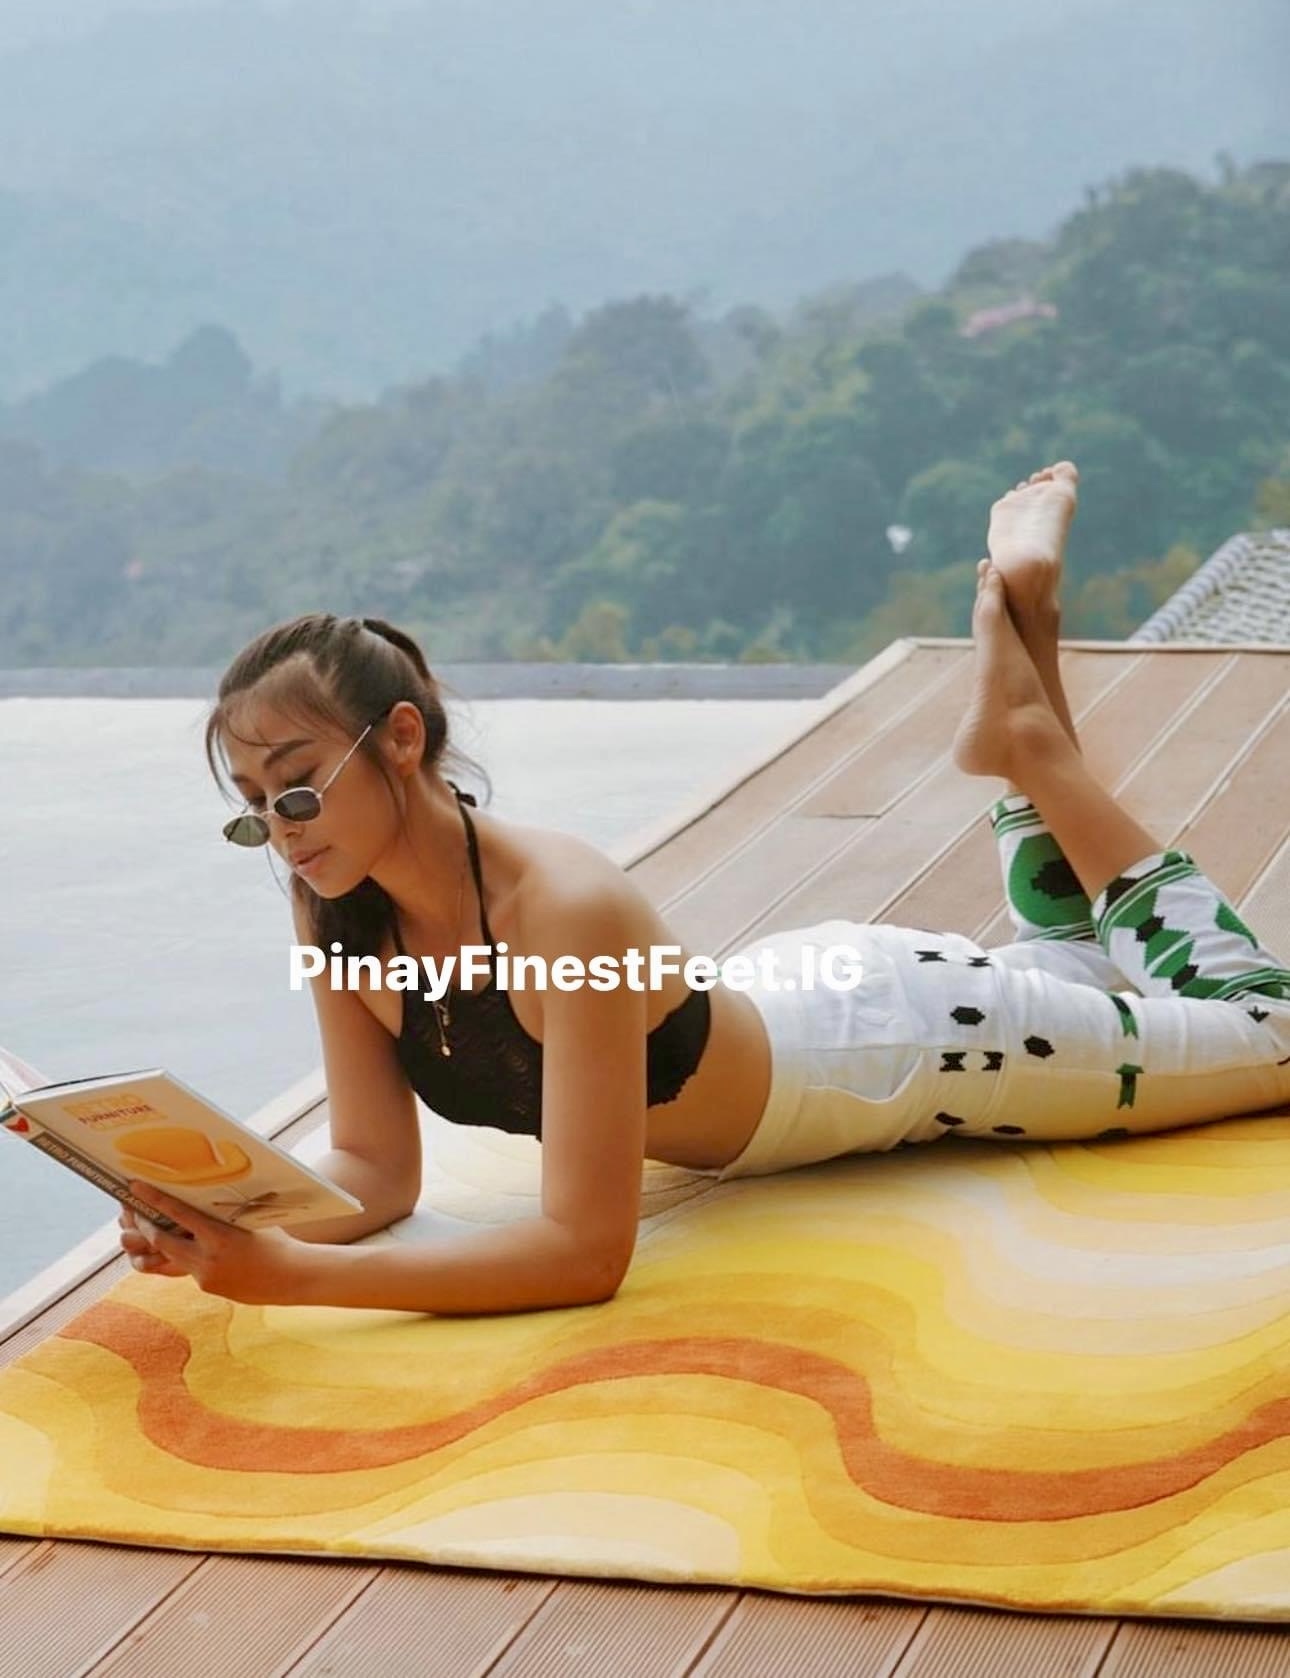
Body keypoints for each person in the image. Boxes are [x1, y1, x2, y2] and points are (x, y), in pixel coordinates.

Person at [117, 461, 1290, 1315]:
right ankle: (1027, 650)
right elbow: (375, 1169)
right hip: (796, 1000)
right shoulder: (334, 909)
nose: (281, 832)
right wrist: (231, 1216)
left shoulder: (563, 910)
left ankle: (1029, 751)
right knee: (1080, 958)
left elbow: (584, 1252)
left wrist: (299, 1280)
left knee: (1269, 1031)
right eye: (253, 807)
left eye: (297, 788)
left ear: (404, 739)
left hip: (902, 1045)